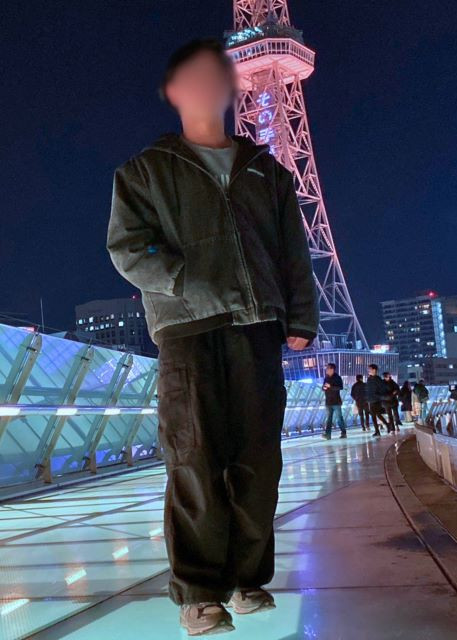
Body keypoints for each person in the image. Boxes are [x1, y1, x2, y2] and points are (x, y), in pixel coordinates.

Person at [106, 38, 319, 636]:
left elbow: (294, 251)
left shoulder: (267, 171)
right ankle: (200, 593)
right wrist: (181, 278)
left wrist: (300, 318)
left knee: (259, 460)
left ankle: (248, 578)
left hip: (257, 329)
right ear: (173, 92)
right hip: (187, 331)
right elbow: (127, 246)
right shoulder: (146, 171)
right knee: (194, 459)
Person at [322, 363, 347, 440]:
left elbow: (340, 387)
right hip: (328, 401)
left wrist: (330, 386)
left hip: (336, 401)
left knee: (339, 418)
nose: (326, 370)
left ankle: (343, 433)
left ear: (332, 369)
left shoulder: (337, 378)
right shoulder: (326, 378)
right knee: (329, 419)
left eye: (328, 368)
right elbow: (323, 387)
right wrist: (324, 388)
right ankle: (327, 435)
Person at [366, 364, 390, 436]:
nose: (368, 370)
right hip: (371, 399)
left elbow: (382, 389)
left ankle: (378, 430)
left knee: (374, 415)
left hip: (376, 399)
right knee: (377, 414)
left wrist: (378, 395)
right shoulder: (369, 379)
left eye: (369, 369)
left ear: (374, 370)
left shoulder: (377, 379)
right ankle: (385, 426)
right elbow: (368, 389)